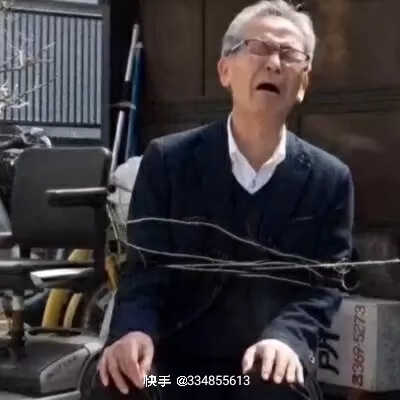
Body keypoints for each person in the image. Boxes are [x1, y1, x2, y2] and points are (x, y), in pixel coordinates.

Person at [92, 1, 354, 399]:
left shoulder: (329, 180)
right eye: (259, 48)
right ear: (225, 70)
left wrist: (287, 338)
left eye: (289, 54)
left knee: (276, 388)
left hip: (263, 368)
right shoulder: (169, 161)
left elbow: (324, 286)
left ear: (303, 84)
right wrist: (134, 331)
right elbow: (145, 268)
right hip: (177, 374)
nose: (274, 63)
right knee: (118, 381)